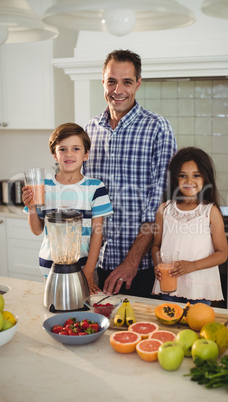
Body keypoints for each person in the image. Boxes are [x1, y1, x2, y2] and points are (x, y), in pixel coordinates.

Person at [83, 49, 177, 297]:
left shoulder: (158, 128)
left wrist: (131, 262)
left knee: (136, 332)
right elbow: (83, 196)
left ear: (138, 84)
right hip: (94, 265)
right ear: (103, 82)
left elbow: (160, 205)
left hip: (140, 269)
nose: (118, 90)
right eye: (111, 81)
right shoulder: (89, 130)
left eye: (126, 82)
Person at [22, 123, 113, 294]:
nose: (69, 154)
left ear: (86, 154)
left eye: (76, 148)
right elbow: (36, 230)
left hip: (84, 269)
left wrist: (88, 271)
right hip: (49, 268)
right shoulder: (43, 186)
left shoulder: (95, 188)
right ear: (55, 155)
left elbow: (97, 233)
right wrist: (32, 207)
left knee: (83, 314)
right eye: (62, 149)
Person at [152, 147, 228, 305]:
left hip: (200, 288)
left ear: (205, 178)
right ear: (175, 178)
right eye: (182, 175)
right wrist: (157, 265)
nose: (189, 181)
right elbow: (156, 246)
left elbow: (222, 254)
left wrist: (192, 266)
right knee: (169, 325)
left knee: (197, 327)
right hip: (169, 286)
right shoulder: (164, 209)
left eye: (196, 175)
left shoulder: (210, 211)